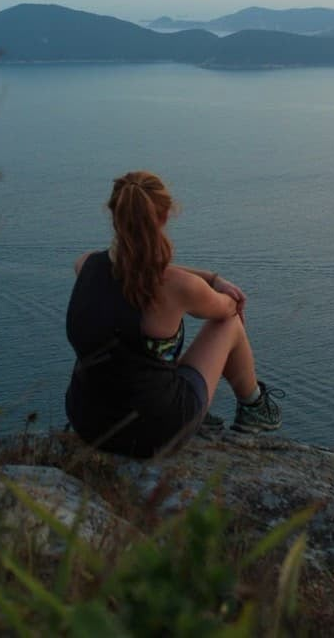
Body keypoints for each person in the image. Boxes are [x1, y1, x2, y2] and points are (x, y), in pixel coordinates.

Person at [65, 170, 282, 458]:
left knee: (138, 356)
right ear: (165, 217)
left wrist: (208, 277)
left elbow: (135, 269)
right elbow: (227, 307)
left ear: (114, 215)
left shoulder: (85, 266)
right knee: (228, 324)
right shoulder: (177, 288)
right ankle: (255, 407)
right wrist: (215, 284)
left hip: (89, 424)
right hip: (156, 432)